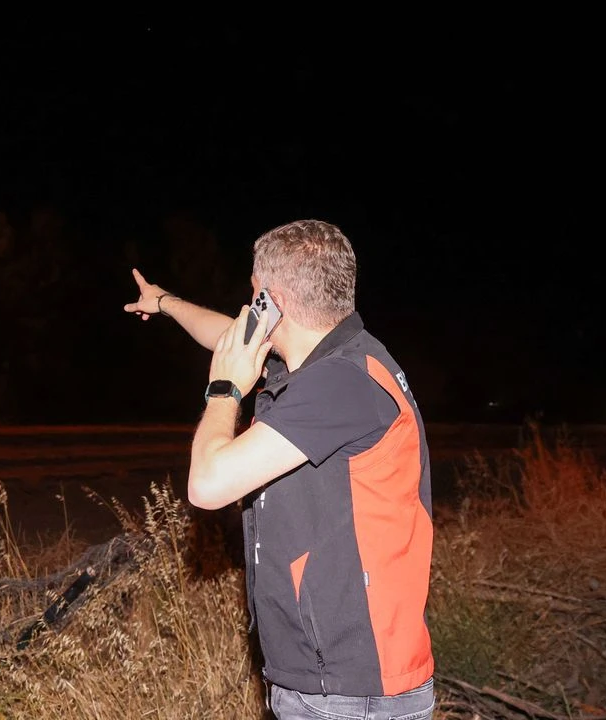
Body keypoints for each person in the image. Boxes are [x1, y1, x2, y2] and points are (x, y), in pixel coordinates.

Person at [124, 219, 435, 719]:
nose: (248, 311)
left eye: (254, 297)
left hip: (352, 690)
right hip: (327, 678)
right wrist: (164, 302)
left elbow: (207, 485)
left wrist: (224, 389)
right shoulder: (323, 361)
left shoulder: (342, 384)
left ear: (272, 301)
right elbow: (226, 335)